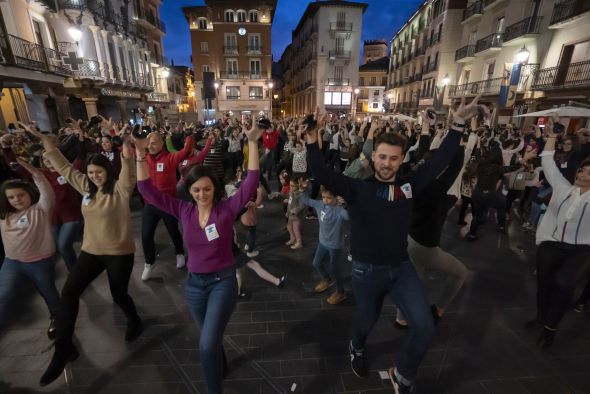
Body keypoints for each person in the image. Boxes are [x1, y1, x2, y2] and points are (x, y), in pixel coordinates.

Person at [304, 96, 481, 394]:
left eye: (394, 158)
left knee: (424, 326)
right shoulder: (358, 189)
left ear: (401, 160)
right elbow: (321, 174)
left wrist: (458, 125)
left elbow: (439, 162)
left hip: (401, 268)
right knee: (366, 320)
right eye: (382, 157)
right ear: (374, 158)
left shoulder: (409, 187)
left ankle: (404, 377)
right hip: (365, 271)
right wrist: (312, 139)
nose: (387, 164)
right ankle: (356, 348)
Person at [134, 119, 262, 394]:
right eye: (196, 190)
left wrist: (252, 142)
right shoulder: (183, 210)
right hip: (194, 286)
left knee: (205, 345)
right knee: (210, 339)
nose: (202, 194)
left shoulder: (227, 210)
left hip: (222, 283)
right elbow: (146, 190)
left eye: (206, 189)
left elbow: (250, 183)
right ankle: (222, 364)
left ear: (214, 188)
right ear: (189, 192)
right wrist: (139, 153)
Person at [37, 130, 142, 387]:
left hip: (119, 252)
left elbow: (128, 172)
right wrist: (48, 144)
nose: (95, 176)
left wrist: (127, 152)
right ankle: (63, 348)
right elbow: (63, 166)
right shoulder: (85, 186)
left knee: (119, 295)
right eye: (92, 172)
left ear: (107, 171)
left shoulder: (120, 190)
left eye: (99, 171)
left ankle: (134, 319)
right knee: (69, 293)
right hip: (91, 252)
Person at [527, 120, 590, 348]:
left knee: (564, 284)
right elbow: (547, 162)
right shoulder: (564, 188)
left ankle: (551, 327)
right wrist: (552, 136)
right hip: (552, 244)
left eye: (588, 173)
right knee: (544, 283)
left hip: (582, 250)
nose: (582, 175)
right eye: (582, 171)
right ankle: (541, 318)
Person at [0, 157, 59, 340]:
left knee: (48, 292)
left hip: (39, 262)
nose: (16, 200)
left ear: (29, 194)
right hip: (12, 263)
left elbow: (46, 190)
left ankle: (57, 319)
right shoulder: (4, 215)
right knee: (4, 294)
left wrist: (34, 172)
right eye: (11, 197)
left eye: (20, 195)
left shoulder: (40, 209)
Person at [141, 130, 194, 280]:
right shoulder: (144, 159)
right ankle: (149, 263)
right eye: (149, 143)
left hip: (167, 203)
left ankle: (179, 253)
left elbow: (186, 150)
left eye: (154, 143)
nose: (151, 146)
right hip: (150, 204)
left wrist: (189, 135)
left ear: (161, 143)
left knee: (173, 231)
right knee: (146, 235)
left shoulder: (170, 158)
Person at [302, 184, 349, 305]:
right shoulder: (319, 204)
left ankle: (341, 292)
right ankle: (327, 279)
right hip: (323, 242)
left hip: (335, 245)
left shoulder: (339, 210)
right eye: (323, 197)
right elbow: (306, 200)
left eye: (329, 198)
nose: (325, 200)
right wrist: (303, 190)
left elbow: (349, 216)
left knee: (335, 268)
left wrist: (347, 203)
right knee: (316, 263)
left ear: (336, 198)